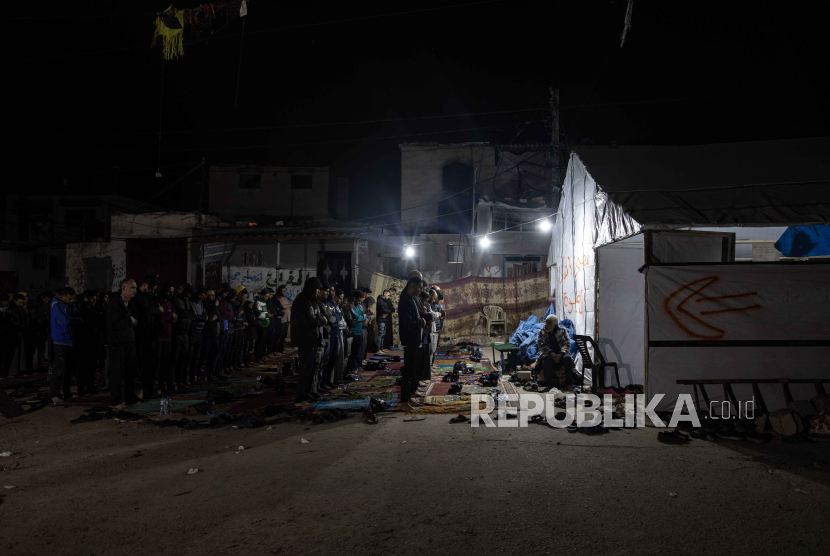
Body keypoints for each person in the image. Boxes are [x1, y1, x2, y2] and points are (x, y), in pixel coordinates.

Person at [291, 277, 326, 405]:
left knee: (311, 369)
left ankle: (307, 394)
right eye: (317, 290)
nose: (318, 293)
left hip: (312, 340)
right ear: (312, 289)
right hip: (305, 340)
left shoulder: (312, 301)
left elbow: (319, 315)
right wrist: (321, 320)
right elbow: (310, 321)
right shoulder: (302, 301)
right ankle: (300, 398)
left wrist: (319, 318)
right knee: (305, 369)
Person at [107, 279, 139, 408]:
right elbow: (113, 325)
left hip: (129, 342)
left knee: (131, 372)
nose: (135, 291)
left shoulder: (131, 304)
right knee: (117, 373)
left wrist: (132, 321)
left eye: (135, 288)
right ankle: (116, 401)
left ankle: (130, 398)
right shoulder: (113, 304)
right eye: (132, 288)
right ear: (124, 288)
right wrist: (128, 320)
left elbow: (136, 320)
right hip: (117, 343)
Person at [50, 288, 81, 403]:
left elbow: (77, 316)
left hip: (69, 340)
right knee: (59, 369)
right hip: (61, 341)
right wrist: (76, 320)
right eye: (70, 298)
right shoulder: (56, 305)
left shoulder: (69, 305)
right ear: (63, 296)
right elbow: (65, 321)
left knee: (68, 369)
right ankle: (54, 395)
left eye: (74, 298)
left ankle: (67, 393)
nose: (72, 300)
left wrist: (74, 319)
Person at [398, 277, 427, 401]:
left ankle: (411, 394)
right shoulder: (405, 301)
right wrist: (421, 321)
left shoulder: (412, 299)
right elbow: (408, 323)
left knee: (414, 369)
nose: (421, 290)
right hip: (410, 341)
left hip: (415, 340)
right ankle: (405, 399)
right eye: (419, 287)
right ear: (412, 286)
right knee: (409, 371)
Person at [133, 275, 162, 399]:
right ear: (144, 285)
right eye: (151, 288)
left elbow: (156, 310)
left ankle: (150, 390)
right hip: (142, 335)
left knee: (152, 364)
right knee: (144, 366)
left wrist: (154, 310)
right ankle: (144, 391)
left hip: (153, 334)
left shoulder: (151, 296)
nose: (153, 291)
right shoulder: (137, 297)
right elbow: (146, 311)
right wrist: (156, 310)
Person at [536, 314, 574, 392]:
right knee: (547, 358)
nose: (546, 325)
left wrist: (560, 354)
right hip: (549, 354)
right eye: (546, 323)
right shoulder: (542, 331)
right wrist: (552, 353)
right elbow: (541, 345)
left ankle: (568, 385)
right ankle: (549, 385)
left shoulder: (562, 330)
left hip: (561, 354)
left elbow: (567, 344)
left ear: (554, 325)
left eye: (549, 323)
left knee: (568, 359)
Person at [75, 290, 102, 396]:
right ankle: (81, 387)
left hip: (94, 340)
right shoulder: (80, 310)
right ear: (86, 299)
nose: (94, 300)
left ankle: (90, 386)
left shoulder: (96, 309)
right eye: (92, 298)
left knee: (92, 365)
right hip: (83, 341)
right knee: (82, 366)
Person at [155, 282, 178, 394]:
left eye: (173, 291)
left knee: (168, 363)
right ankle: (160, 386)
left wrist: (168, 316)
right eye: (169, 291)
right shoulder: (157, 302)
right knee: (159, 364)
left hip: (168, 337)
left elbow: (175, 317)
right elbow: (159, 317)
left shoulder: (169, 303)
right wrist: (169, 316)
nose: (171, 293)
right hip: (158, 338)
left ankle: (168, 385)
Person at [171, 284, 194, 388]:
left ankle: (181, 381)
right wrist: (187, 314)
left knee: (184, 358)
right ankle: (173, 382)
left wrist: (187, 314)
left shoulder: (186, 300)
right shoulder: (175, 299)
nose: (187, 297)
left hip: (186, 333)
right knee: (174, 360)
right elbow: (181, 313)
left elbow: (192, 314)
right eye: (186, 295)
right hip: (176, 333)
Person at [314, 281, 335, 393]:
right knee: (318, 363)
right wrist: (329, 319)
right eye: (326, 291)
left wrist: (329, 319)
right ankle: (315, 387)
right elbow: (326, 318)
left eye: (329, 291)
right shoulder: (317, 303)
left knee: (325, 362)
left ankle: (322, 383)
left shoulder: (326, 303)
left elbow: (332, 318)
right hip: (321, 336)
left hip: (328, 335)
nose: (328, 293)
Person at [198, 289, 223, 382]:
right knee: (204, 356)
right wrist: (215, 308)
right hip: (207, 334)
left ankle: (211, 374)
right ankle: (200, 376)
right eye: (210, 295)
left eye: (213, 295)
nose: (212, 297)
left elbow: (223, 316)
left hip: (217, 334)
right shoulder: (205, 305)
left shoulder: (216, 305)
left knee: (215, 355)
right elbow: (210, 317)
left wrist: (217, 317)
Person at [25, 291, 52, 374]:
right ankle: (29, 367)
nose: (46, 302)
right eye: (45, 300)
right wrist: (42, 316)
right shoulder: (34, 303)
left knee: (41, 349)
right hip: (34, 329)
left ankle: (40, 366)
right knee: (31, 350)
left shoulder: (43, 304)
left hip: (42, 329)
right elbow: (33, 316)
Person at [186, 286, 207, 386]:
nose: (200, 297)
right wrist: (200, 318)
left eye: (202, 295)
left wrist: (199, 317)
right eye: (199, 294)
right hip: (192, 332)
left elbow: (204, 316)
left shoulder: (201, 302)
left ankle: (194, 377)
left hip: (200, 332)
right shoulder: (190, 302)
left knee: (197, 357)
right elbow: (192, 316)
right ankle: (187, 379)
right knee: (189, 356)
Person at [5, 294, 30, 378]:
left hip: (21, 333)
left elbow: (26, 320)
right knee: (14, 353)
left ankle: (21, 370)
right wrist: (22, 326)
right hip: (13, 334)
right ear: (15, 301)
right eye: (20, 302)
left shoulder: (21, 309)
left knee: (21, 352)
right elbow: (12, 323)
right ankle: (12, 371)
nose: (21, 304)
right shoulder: (10, 310)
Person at [347, 291, 367, 374]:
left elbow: (361, 316)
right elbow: (358, 318)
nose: (359, 303)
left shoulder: (358, 307)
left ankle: (354, 367)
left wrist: (362, 317)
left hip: (359, 331)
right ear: (354, 298)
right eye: (358, 300)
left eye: (361, 301)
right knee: (351, 353)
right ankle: (349, 369)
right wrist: (363, 317)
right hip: (354, 332)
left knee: (356, 352)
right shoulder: (352, 307)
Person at [232, 290, 248, 371]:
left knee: (239, 347)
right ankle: (233, 364)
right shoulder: (236, 304)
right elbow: (233, 315)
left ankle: (238, 363)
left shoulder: (241, 305)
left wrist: (245, 322)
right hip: (235, 328)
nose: (246, 299)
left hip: (241, 327)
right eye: (244, 297)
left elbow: (243, 315)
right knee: (234, 347)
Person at [254, 288, 271, 363]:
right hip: (261, 324)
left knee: (264, 341)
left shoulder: (264, 302)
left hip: (266, 323)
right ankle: (257, 357)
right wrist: (267, 314)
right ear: (262, 295)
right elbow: (260, 314)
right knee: (259, 341)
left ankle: (262, 355)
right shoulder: (258, 302)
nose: (267, 298)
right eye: (266, 296)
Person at [376, 289, 394, 353]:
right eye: (388, 295)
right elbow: (384, 310)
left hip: (384, 319)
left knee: (383, 334)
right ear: (385, 294)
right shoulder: (380, 301)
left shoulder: (385, 301)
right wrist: (389, 311)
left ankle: (381, 348)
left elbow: (389, 310)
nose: (389, 297)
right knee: (381, 334)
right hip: (381, 319)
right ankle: (378, 349)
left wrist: (388, 312)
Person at [275, 285, 291, 353]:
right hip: (282, 320)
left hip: (287, 320)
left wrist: (287, 306)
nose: (284, 292)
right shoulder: (278, 299)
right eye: (283, 291)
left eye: (285, 291)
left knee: (284, 336)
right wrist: (287, 306)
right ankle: (277, 350)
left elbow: (290, 306)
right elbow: (283, 307)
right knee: (279, 336)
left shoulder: (285, 299)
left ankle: (282, 349)